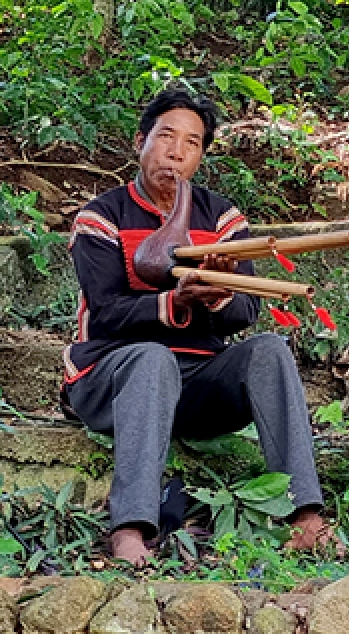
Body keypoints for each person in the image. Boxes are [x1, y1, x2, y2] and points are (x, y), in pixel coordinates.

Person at [63, 89, 329, 565]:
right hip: (114, 379)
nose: (177, 152)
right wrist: (174, 301)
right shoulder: (101, 217)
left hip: (199, 386)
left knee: (270, 349)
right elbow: (106, 312)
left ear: (201, 155)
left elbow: (245, 311)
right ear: (141, 142)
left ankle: (306, 516)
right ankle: (129, 528)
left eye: (192, 143)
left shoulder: (222, 219)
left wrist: (219, 292)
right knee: (152, 357)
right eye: (166, 137)